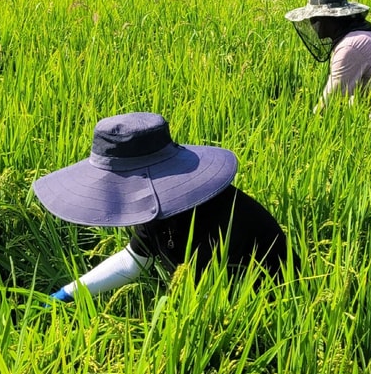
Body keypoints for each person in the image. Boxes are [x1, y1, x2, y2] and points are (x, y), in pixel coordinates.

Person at [33, 111, 295, 303]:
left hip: (263, 308)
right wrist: (70, 292)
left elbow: (205, 306)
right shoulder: (158, 204)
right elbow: (134, 260)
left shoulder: (219, 220)